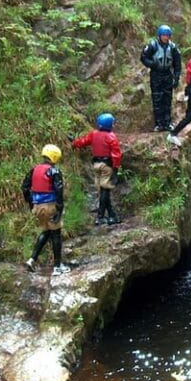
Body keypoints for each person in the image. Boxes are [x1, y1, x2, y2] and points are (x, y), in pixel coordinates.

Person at [21, 144, 69, 275]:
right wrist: (59, 209)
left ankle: (32, 260)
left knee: (46, 232)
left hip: (37, 207)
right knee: (56, 234)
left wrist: (31, 204)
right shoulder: (54, 171)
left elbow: (25, 187)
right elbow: (59, 191)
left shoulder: (34, 169)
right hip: (50, 206)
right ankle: (57, 267)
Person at [71, 113, 123, 226]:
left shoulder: (93, 134)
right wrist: (115, 169)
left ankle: (112, 215)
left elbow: (83, 142)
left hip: (96, 165)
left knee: (104, 191)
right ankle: (99, 216)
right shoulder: (111, 137)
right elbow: (116, 155)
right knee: (105, 190)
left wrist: (74, 142)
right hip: (106, 166)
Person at [140, 24, 182, 132]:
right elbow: (143, 57)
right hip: (156, 75)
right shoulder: (152, 45)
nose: (165, 37)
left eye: (167, 35)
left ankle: (167, 123)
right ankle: (159, 124)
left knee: (167, 100)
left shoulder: (173, 47)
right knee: (157, 100)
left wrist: (176, 78)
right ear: (159, 35)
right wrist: (152, 64)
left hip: (167, 74)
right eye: (163, 35)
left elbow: (177, 64)